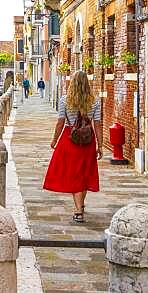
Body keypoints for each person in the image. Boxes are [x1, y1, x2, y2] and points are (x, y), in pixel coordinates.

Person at [42, 71, 102, 223]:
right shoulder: (95, 101)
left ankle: (78, 210)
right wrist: (100, 145)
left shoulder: (65, 100)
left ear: (72, 83)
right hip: (88, 140)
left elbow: (61, 122)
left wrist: (54, 139)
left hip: (70, 139)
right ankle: (80, 205)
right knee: (84, 173)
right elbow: (97, 124)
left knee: (74, 174)